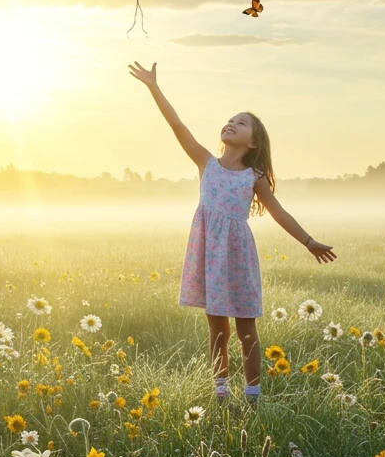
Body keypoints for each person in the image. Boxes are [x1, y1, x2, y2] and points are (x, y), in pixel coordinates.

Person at [128, 61, 336, 407]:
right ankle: (221, 392)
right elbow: (177, 125)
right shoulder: (205, 162)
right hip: (209, 254)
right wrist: (153, 87)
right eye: (230, 119)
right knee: (218, 330)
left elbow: (279, 212)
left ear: (252, 141)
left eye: (241, 123)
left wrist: (309, 241)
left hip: (237, 255)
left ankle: (252, 397)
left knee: (246, 330)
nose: (231, 123)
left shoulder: (252, 177)